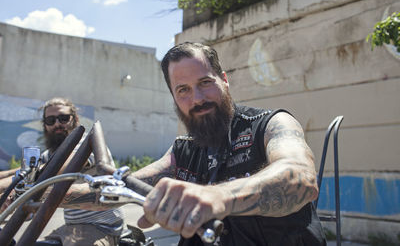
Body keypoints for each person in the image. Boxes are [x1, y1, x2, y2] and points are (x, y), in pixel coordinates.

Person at [130, 42, 327, 245]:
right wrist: (99, 186)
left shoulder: (270, 124)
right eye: (183, 90)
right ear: (174, 98)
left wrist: (218, 196)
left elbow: (302, 177)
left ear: (224, 80)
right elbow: (135, 180)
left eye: (205, 82)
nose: (197, 98)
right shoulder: (183, 150)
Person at [1, 97, 125, 246]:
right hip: (71, 227)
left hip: (103, 227)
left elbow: (59, 168)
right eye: (51, 120)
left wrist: (14, 190)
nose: (57, 124)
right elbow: (24, 172)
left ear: (75, 119)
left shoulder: (87, 143)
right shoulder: (50, 154)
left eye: (63, 118)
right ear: (45, 125)